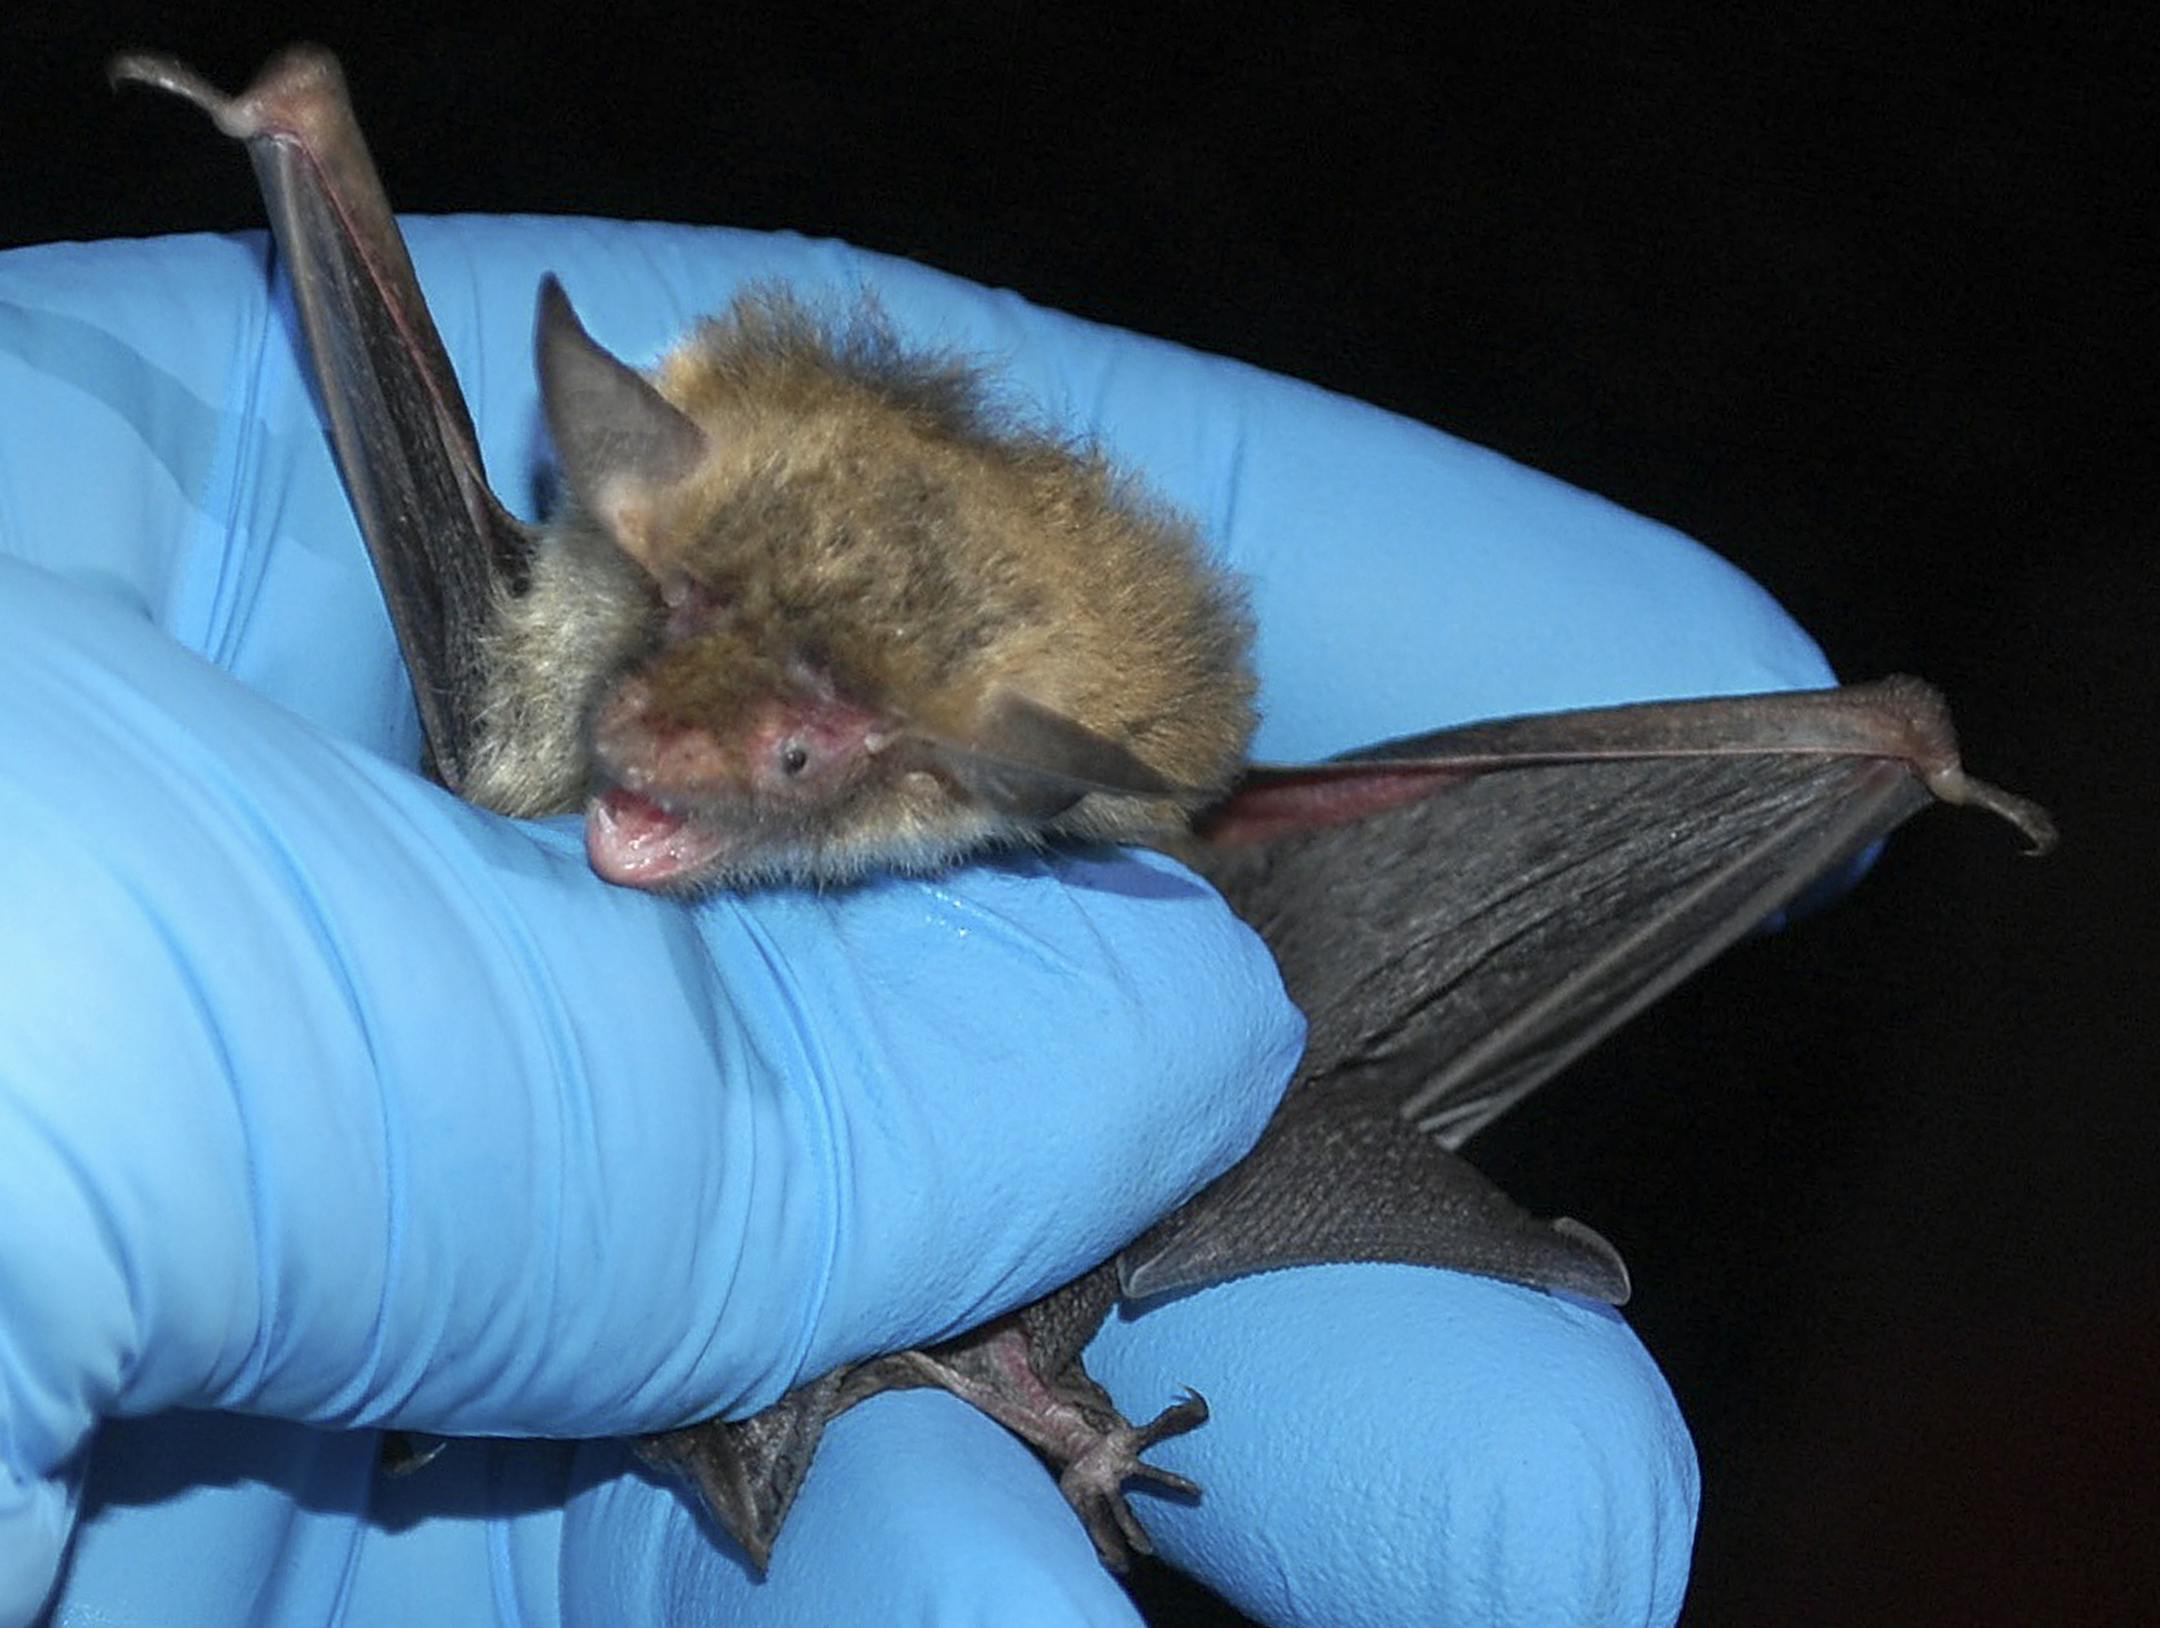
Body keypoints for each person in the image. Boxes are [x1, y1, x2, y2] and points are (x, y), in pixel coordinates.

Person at [0, 216, 1828, 1626]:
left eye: (775, 755)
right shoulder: (643, 546)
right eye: (653, 665)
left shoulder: (1045, 771)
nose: (650, 760)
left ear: (930, 776)